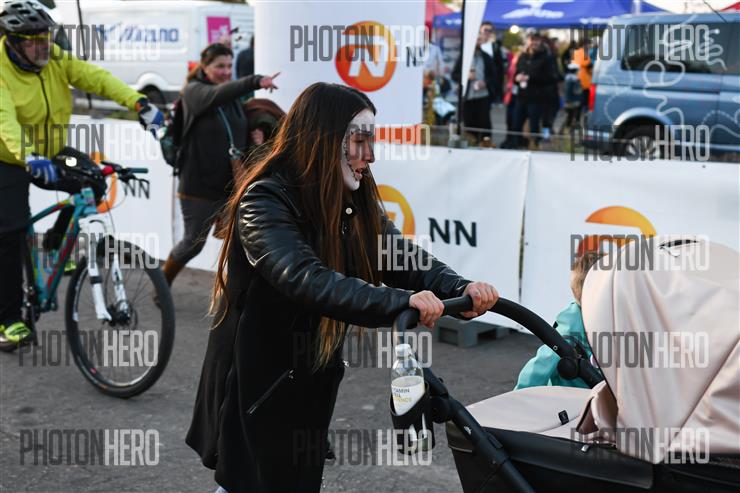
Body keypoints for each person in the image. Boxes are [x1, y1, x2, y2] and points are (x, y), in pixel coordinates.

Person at [185, 82, 500, 493]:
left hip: (307, 383)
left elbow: (400, 256)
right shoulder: (263, 200)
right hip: (253, 389)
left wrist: (459, 287)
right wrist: (401, 302)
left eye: (372, 141)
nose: (370, 155)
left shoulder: (348, 199)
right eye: (359, 140)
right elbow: (305, 278)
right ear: (323, 138)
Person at [0, 1, 163, 344]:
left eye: (47, 37)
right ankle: (9, 320)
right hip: (9, 158)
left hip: (50, 151)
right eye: (35, 41)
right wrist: (27, 155)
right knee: (11, 234)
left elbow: (96, 78)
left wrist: (138, 103)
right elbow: (5, 121)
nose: (45, 46)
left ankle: (55, 246)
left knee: (93, 181)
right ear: (13, 42)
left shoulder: (56, 59)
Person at [159, 43, 278, 289]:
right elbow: (216, 96)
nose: (225, 72)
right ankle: (162, 283)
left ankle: (237, 296)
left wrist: (257, 134)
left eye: (229, 66)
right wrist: (255, 81)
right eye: (219, 66)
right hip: (198, 186)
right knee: (192, 244)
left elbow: (237, 129)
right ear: (204, 67)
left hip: (231, 185)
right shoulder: (194, 92)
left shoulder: (231, 98)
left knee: (241, 243)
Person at [514, 250, 604, 390]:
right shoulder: (569, 329)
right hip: (571, 399)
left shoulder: (615, 317)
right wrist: (520, 397)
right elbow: (540, 367)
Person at [452, 23, 499, 144]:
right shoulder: (464, 57)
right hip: (467, 96)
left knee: (484, 122)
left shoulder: (486, 57)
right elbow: (454, 75)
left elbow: (494, 76)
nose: (477, 42)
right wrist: (465, 77)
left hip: (483, 96)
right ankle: (471, 143)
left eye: (479, 40)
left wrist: (485, 83)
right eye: (476, 40)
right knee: (469, 123)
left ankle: (485, 143)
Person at [511, 29, 558, 149]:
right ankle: (517, 146)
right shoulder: (522, 56)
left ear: (540, 41)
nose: (534, 42)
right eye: (532, 39)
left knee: (534, 126)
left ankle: (535, 147)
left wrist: (530, 78)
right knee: (516, 124)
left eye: (536, 40)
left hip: (537, 98)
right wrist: (517, 78)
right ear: (527, 41)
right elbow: (516, 73)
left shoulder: (546, 57)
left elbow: (551, 78)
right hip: (521, 96)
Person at [561, 62, 583, 133]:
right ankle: (571, 129)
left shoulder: (566, 78)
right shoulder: (575, 79)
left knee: (567, 115)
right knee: (574, 115)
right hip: (574, 101)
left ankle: (564, 129)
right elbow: (577, 91)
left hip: (566, 100)